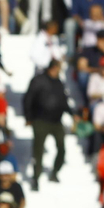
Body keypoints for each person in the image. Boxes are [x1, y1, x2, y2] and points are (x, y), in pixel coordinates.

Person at [23, 59, 69, 190]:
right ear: (53, 68)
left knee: (62, 148)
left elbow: (63, 101)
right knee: (38, 151)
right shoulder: (38, 80)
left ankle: (55, 172)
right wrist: (28, 117)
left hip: (56, 121)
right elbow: (28, 97)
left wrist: (72, 113)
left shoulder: (59, 82)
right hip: (40, 120)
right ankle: (36, 178)